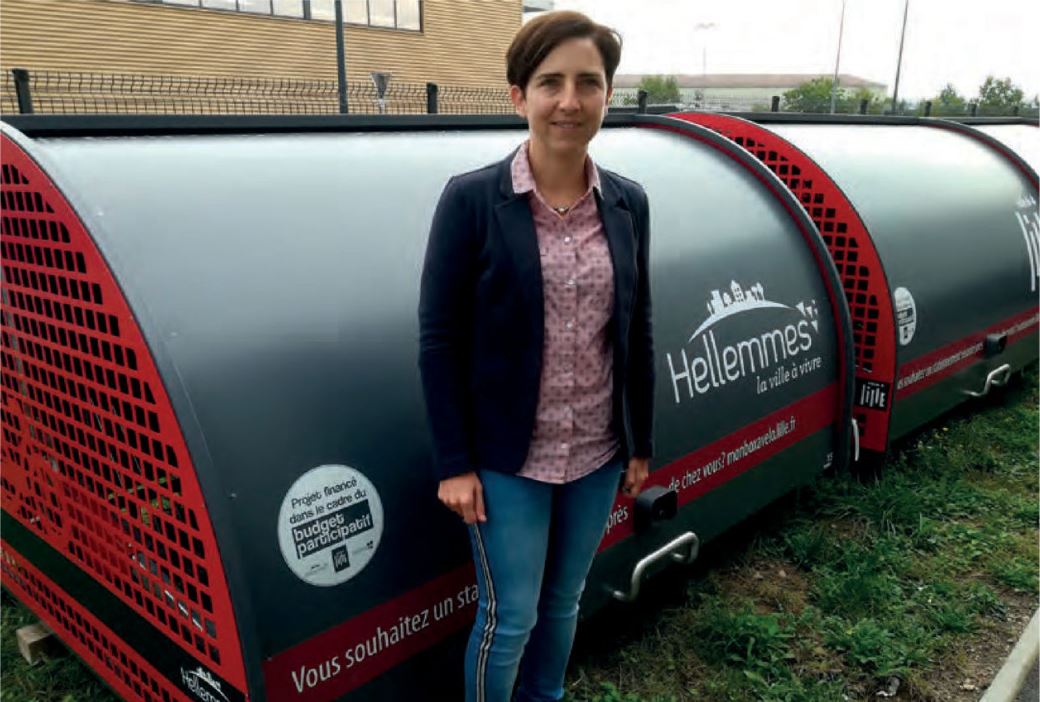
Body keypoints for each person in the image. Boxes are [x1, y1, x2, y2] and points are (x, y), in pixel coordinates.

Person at [418, 10, 654, 702]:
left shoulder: (628, 205)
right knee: (510, 613)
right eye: (550, 82)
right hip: (506, 459)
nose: (570, 101)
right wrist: (455, 463)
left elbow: (637, 328)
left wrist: (639, 442)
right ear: (519, 96)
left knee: (563, 602)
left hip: (596, 454)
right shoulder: (471, 201)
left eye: (589, 82)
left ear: (608, 95)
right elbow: (438, 340)